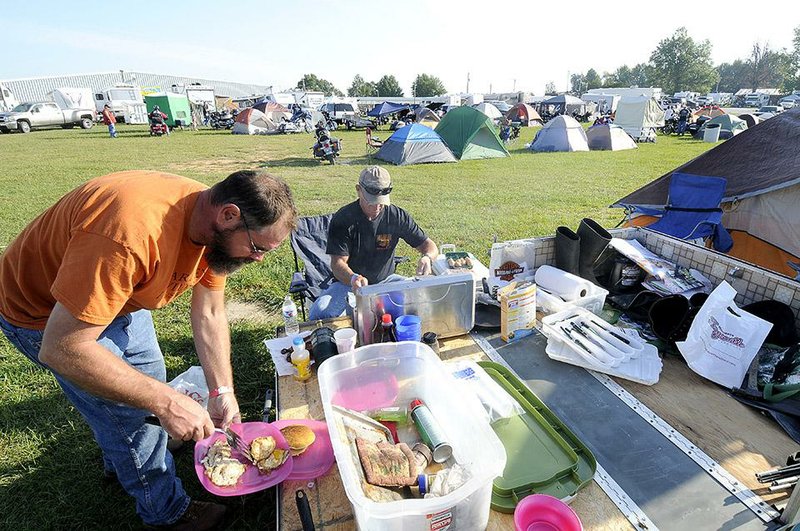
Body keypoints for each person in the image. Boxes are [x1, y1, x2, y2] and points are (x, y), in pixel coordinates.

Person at [0, 169, 297, 529]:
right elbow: (63, 347)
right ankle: (169, 513)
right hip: (44, 315)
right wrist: (164, 402)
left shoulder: (211, 225)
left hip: (121, 297)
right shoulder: (130, 234)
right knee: (129, 415)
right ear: (229, 215)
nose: (259, 259)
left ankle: (121, 455)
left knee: (149, 382)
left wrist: (222, 390)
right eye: (258, 248)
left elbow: (210, 311)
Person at [309, 166, 438, 320]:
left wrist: (427, 258)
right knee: (321, 312)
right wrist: (353, 278)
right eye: (371, 201)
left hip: (387, 281)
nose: (377, 206)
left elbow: (429, 246)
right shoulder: (343, 219)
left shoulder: (397, 216)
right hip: (348, 285)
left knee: (423, 300)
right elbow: (337, 264)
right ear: (358, 190)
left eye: (381, 202)